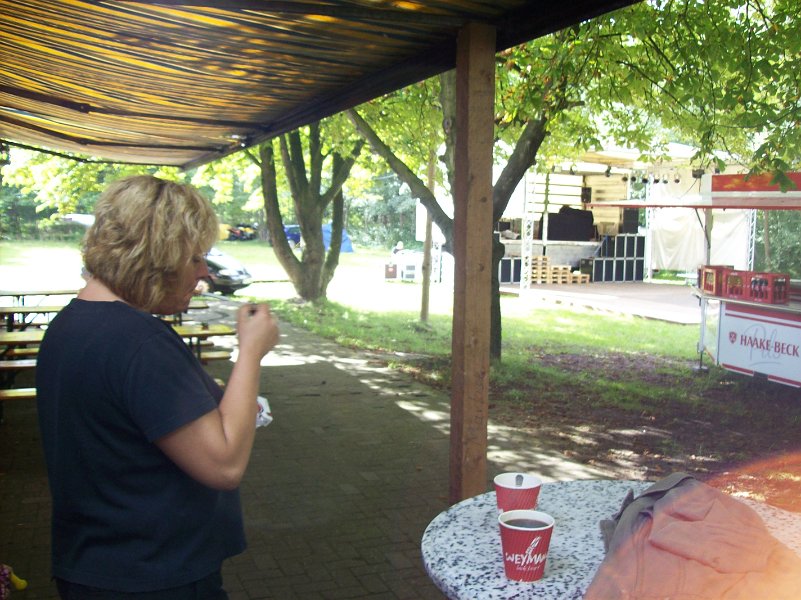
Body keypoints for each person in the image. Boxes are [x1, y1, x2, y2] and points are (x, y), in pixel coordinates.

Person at [36, 175, 280, 599]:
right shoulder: (141, 342)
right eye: (195, 258)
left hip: (95, 566)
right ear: (157, 254)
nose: (204, 272)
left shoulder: (68, 324)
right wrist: (251, 352)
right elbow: (224, 465)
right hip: (156, 575)